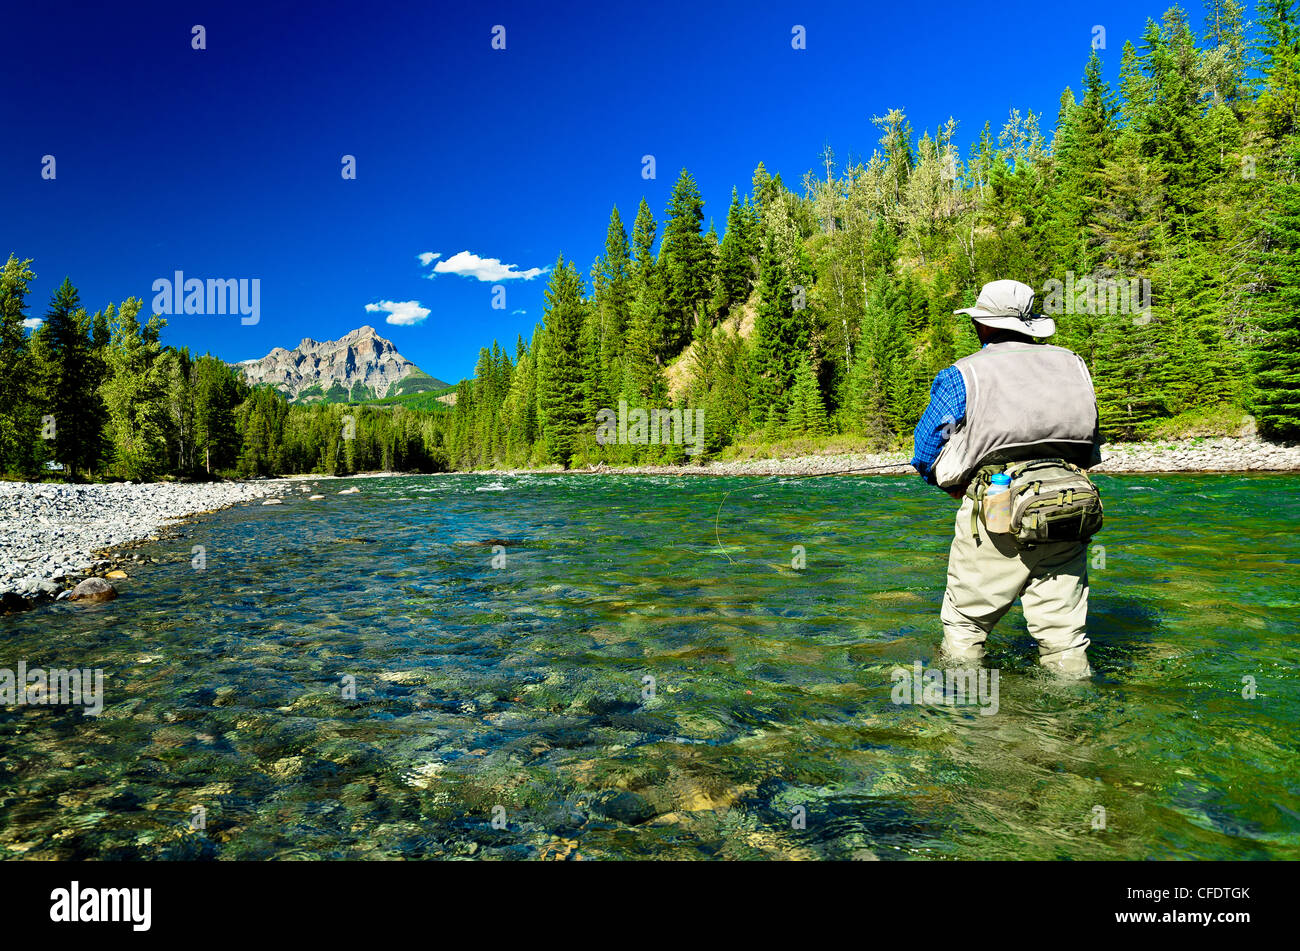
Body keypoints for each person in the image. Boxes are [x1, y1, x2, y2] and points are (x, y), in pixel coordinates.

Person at [910, 279, 1103, 678]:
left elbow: (927, 446)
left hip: (995, 511)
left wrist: (949, 484)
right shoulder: (1073, 364)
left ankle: (962, 719)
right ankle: (1073, 727)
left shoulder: (963, 375)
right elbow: (1090, 442)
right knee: (1065, 638)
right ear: (1030, 324)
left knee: (966, 626)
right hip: (1068, 508)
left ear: (982, 325)